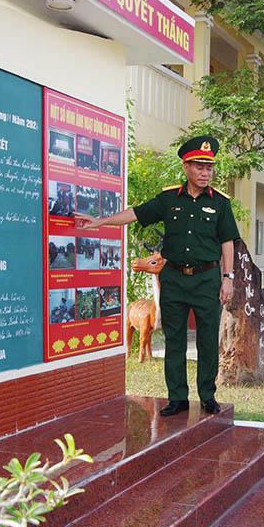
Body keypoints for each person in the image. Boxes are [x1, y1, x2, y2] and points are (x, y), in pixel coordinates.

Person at [76, 136, 239, 415]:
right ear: (186, 167)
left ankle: (208, 396)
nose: (205, 173)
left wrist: (228, 278)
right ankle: (177, 398)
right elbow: (135, 214)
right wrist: (100, 222)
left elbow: (227, 242)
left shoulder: (220, 204)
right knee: (174, 339)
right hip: (174, 279)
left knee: (208, 340)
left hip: (207, 279)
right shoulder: (168, 199)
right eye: (199, 167)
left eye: (209, 168)